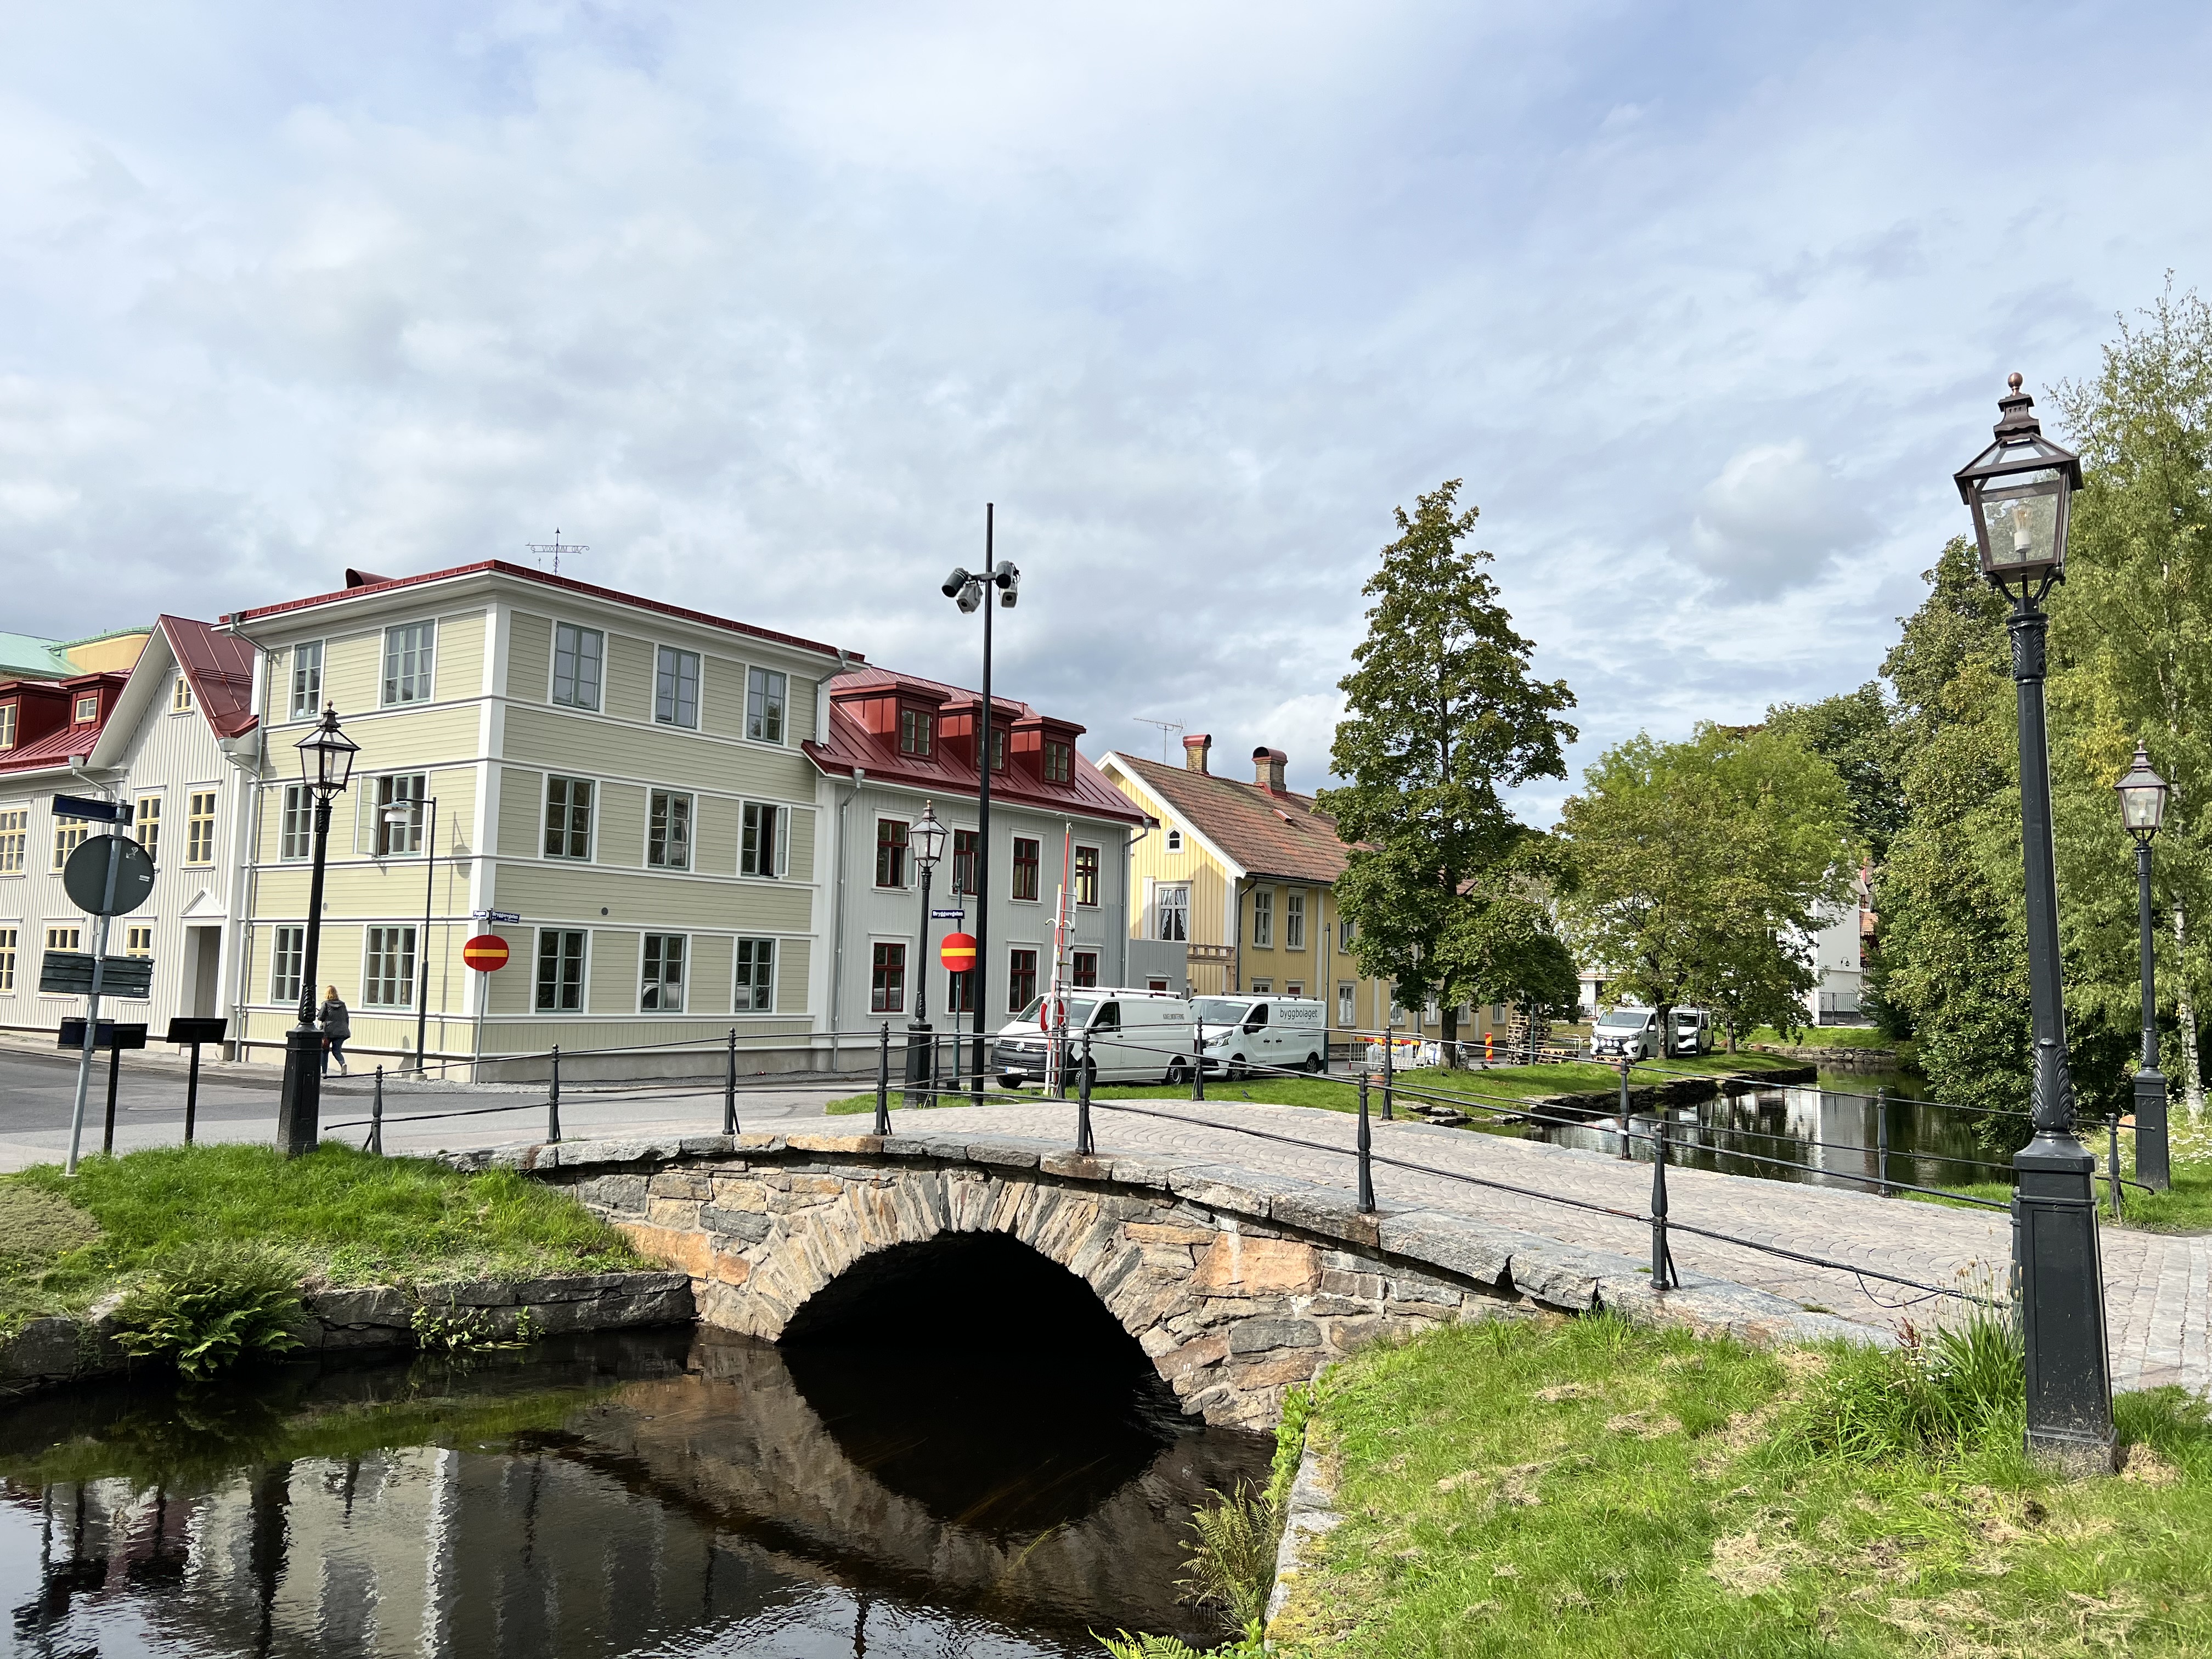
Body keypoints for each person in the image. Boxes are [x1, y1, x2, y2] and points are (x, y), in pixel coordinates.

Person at [319, 985, 352, 1076]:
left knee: (325, 1051)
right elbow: (347, 1018)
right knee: (337, 1051)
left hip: (328, 1032)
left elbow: (320, 1017)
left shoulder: (325, 1004)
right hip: (341, 1031)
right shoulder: (342, 1005)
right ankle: (343, 1064)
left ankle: (324, 1072)